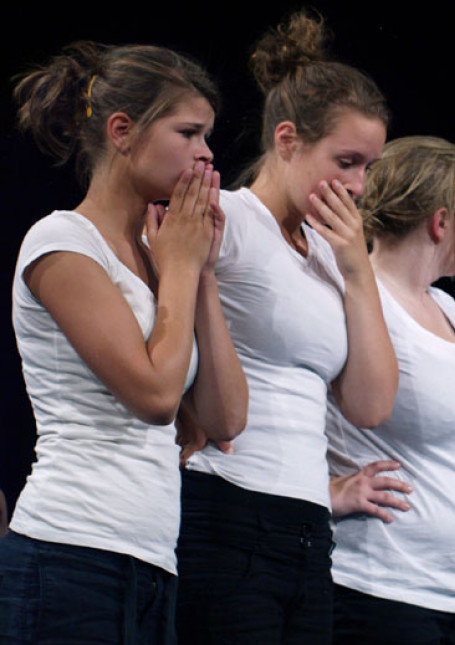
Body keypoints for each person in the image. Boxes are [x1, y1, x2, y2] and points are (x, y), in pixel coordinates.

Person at [0, 41, 247, 644]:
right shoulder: (61, 241)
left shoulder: (161, 256)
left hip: (151, 561)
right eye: (189, 132)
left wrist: (202, 273)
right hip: (70, 553)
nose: (206, 153)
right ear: (122, 130)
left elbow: (225, 417)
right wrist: (182, 268)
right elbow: (157, 396)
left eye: (207, 135)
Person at [175, 10, 398, 644]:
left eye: (368, 168)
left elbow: (371, 402)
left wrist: (358, 272)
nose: (357, 186)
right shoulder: (227, 218)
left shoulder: (334, 255)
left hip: (308, 528)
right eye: (346, 161)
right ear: (288, 140)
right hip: (227, 507)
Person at [326, 136, 455, 644]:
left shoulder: (447, 307)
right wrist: (327, 492)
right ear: (440, 222)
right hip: (376, 587)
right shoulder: (360, 297)